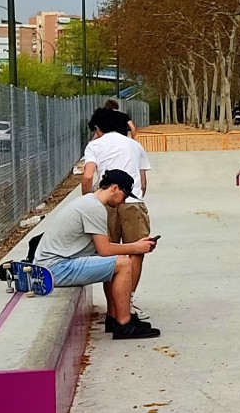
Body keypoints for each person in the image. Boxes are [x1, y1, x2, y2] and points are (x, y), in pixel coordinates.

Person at [35, 168, 160, 339]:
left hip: (54, 265)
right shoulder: (94, 208)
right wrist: (136, 248)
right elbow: (105, 249)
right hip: (55, 268)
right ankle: (124, 323)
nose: (123, 202)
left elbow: (104, 250)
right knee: (124, 264)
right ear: (114, 188)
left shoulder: (89, 202)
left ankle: (114, 317)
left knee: (115, 261)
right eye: (124, 196)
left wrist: (135, 246)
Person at [84, 108, 151, 245]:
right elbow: (143, 183)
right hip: (132, 201)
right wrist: (138, 196)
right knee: (137, 249)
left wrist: (87, 202)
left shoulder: (93, 146)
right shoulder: (135, 145)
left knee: (106, 250)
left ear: (98, 128)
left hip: (106, 203)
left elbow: (88, 176)